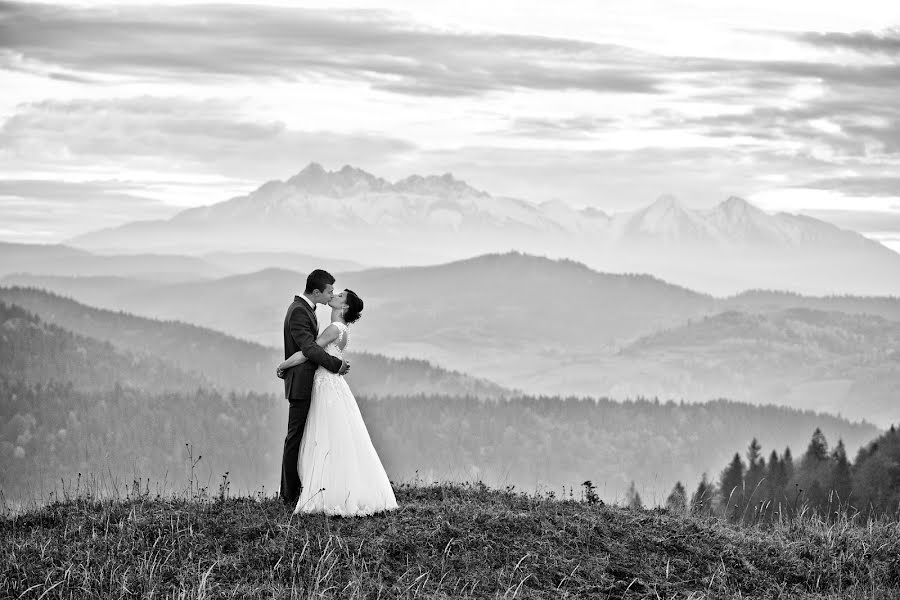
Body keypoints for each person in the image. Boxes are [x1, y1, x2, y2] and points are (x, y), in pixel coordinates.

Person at [278, 287, 398, 516]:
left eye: (340, 296)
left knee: (325, 437)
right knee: (337, 436)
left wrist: (282, 366)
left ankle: (326, 492)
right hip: (333, 385)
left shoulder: (334, 328)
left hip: (326, 388)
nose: (334, 296)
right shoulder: (343, 330)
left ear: (344, 307)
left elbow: (307, 352)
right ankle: (338, 488)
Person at [279, 269, 350, 506]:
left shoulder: (306, 308)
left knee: (304, 437)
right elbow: (309, 348)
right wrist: (335, 364)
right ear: (317, 291)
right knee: (295, 438)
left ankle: (301, 489)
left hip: (310, 381)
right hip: (301, 383)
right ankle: (289, 495)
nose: (332, 294)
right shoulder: (300, 311)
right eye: (329, 291)